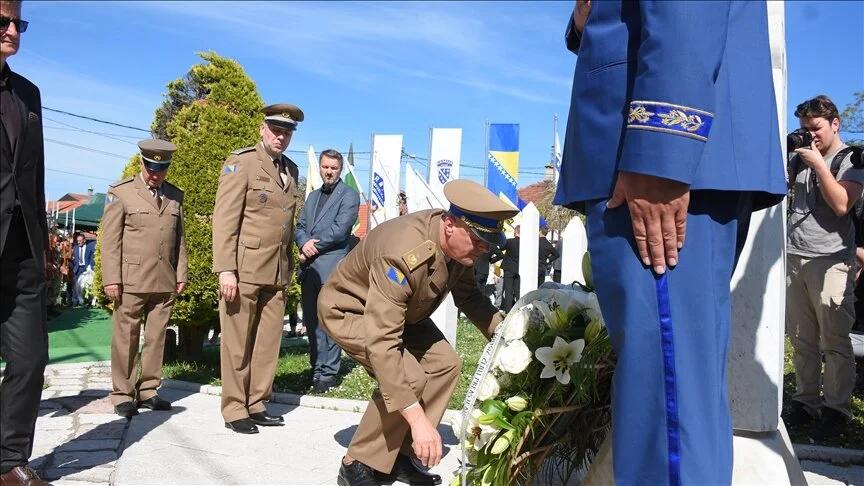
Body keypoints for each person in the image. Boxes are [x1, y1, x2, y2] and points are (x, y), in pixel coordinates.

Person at [553, 1, 786, 484]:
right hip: (643, 153)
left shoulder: (654, 161)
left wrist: (660, 149)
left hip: (649, 160)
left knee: (666, 408)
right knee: (670, 394)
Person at [319, 179, 517, 486]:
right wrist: (417, 419)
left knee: (445, 365)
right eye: (478, 241)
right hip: (352, 310)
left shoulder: (460, 247)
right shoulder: (403, 253)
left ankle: (399, 455)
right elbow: (383, 342)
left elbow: (470, 297)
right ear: (450, 225)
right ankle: (355, 462)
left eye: (487, 244)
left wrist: (508, 336)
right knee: (408, 375)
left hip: (402, 313)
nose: (483, 251)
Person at [212, 103, 302, 434]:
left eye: (287, 132)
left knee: (267, 344)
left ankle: (257, 402)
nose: (281, 137)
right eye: (276, 130)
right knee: (237, 342)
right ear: (262, 130)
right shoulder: (243, 163)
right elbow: (225, 219)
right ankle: (235, 407)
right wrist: (225, 269)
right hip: (244, 270)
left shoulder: (291, 171)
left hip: (276, 272)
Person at [784, 95, 863, 438]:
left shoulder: (852, 158)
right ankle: (805, 402)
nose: (809, 136)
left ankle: (836, 410)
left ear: (835, 123)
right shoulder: (799, 157)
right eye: (804, 129)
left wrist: (817, 163)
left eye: (815, 128)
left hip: (831, 260)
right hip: (792, 256)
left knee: (834, 339)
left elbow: (842, 204)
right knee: (802, 339)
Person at [0, 2, 51, 483]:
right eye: (2, 21)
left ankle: (9, 459)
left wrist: (45, 247)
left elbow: (33, 175)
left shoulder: (28, 94)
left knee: (31, 358)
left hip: (23, 249)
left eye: (18, 22)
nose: (12, 30)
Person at [101, 139, 188, 418]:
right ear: (142, 163)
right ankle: (122, 394)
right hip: (130, 279)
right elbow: (110, 241)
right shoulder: (122, 193)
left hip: (164, 279)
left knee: (156, 338)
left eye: (161, 169)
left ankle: (149, 389)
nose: (155, 174)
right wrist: (111, 279)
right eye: (151, 167)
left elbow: (180, 239)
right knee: (126, 337)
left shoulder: (175, 195)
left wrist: (181, 272)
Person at [295, 148, 360, 393]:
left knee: (329, 322)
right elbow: (300, 225)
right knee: (311, 322)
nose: (329, 172)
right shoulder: (311, 197)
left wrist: (311, 245)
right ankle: (316, 369)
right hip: (309, 268)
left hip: (331, 266)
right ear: (320, 167)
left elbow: (340, 230)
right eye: (325, 167)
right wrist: (302, 242)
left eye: (333, 168)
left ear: (340, 169)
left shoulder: (350, 195)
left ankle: (329, 373)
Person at [499, 224, 520, 311]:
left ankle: (508, 310)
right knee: (518, 291)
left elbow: (501, 248)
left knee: (508, 291)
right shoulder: (526, 243)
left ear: (515, 232)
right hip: (519, 268)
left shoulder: (509, 241)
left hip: (508, 268)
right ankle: (519, 309)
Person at [70, 232, 95, 305]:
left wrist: (90, 265)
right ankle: (75, 302)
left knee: (87, 284)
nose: (79, 242)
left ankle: (87, 301)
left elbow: (92, 257)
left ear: (84, 240)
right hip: (78, 269)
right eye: (78, 241)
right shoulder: (75, 248)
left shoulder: (89, 247)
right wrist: (73, 268)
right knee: (76, 285)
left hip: (86, 268)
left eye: (80, 240)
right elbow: (73, 259)